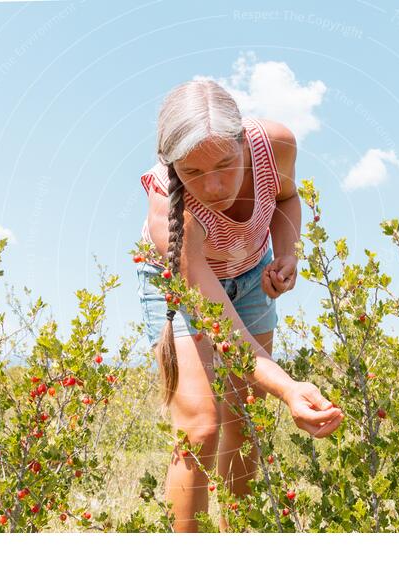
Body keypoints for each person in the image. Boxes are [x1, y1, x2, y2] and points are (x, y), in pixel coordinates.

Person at [135, 78, 344, 532]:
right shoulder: (169, 216)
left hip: (250, 273)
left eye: (226, 164)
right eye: (193, 173)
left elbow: (286, 198)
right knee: (200, 426)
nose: (213, 187)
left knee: (241, 416)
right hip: (184, 283)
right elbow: (225, 332)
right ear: (173, 166)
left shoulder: (276, 144)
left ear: (244, 142)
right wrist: (289, 388)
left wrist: (286, 251)